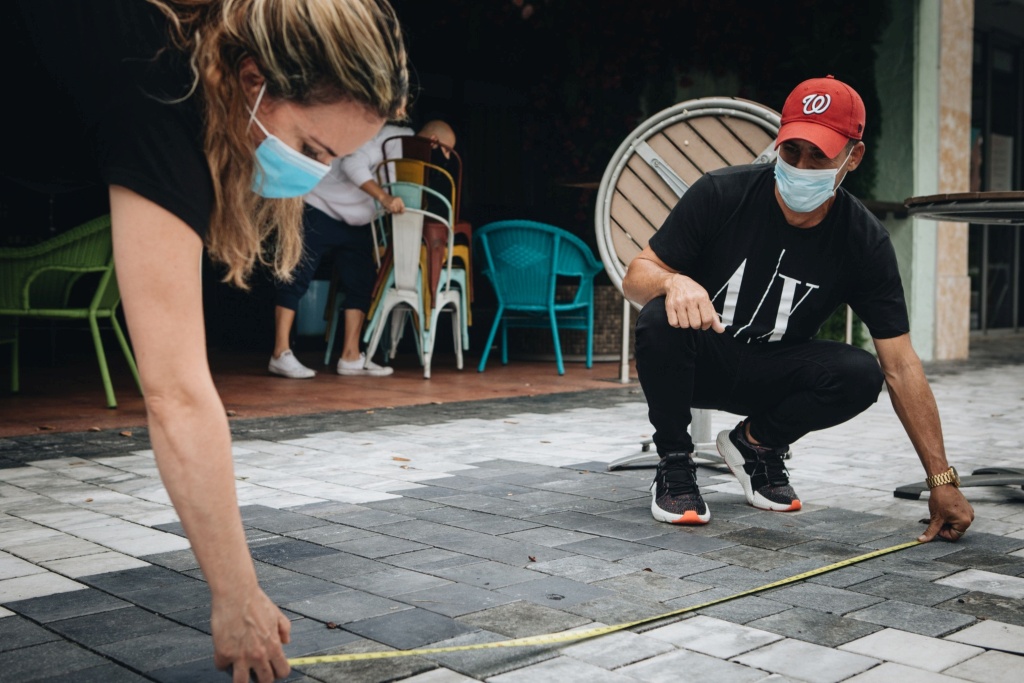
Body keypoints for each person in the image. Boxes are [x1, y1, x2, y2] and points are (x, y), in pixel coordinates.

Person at [5, 1, 407, 681]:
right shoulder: (157, 87)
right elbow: (177, 392)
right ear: (254, 79)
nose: (314, 174)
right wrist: (236, 594)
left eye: (333, 159)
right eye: (312, 150)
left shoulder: (192, 61)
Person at [622, 76, 975, 545]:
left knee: (860, 373)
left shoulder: (863, 241)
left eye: (819, 156)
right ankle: (675, 465)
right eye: (792, 151)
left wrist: (941, 480)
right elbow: (637, 274)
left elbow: (902, 365)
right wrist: (673, 280)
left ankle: (754, 445)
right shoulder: (721, 193)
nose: (801, 166)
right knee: (658, 317)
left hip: (773, 373)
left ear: (853, 156)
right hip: (701, 358)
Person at [268, 119, 457, 378]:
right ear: (433, 141)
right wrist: (384, 198)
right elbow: (351, 164)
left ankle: (350, 356)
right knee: (297, 275)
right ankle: (280, 353)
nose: (445, 157)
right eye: (446, 150)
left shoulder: (416, 159)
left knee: (361, 283)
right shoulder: (395, 137)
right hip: (322, 205)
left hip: (358, 222)